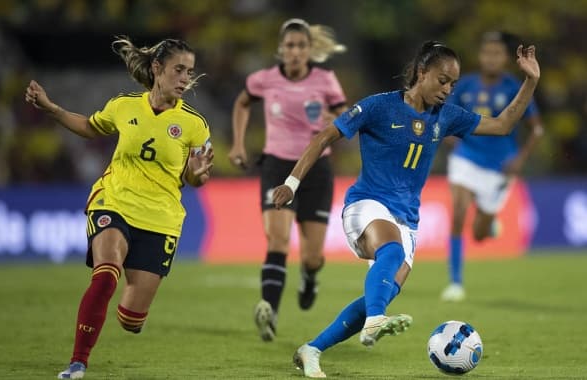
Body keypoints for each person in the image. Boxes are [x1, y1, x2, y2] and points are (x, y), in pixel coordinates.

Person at [272, 40, 540, 378]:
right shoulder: (378, 107)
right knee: (391, 253)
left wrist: (530, 81)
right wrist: (291, 183)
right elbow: (323, 137)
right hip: (365, 205)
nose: (448, 90)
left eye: (453, 84)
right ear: (421, 72)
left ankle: (312, 349)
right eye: (442, 80)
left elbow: (502, 125)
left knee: (382, 289)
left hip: (407, 220)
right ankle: (375, 320)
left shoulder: (447, 117)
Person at [25, 36, 214, 379]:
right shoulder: (124, 105)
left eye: (190, 72)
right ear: (157, 69)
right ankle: (78, 362)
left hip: (160, 217)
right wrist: (52, 109)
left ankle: (124, 313)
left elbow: (194, 176)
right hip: (114, 200)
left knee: (131, 320)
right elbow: (89, 127)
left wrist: (199, 175)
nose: (186, 78)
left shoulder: (195, 124)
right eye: (179, 70)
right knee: (106, 275)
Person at [228, 18, 348, 342]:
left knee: (312, 256)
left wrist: (333, 119)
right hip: (277, 165)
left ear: (310, 50)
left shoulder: (325, 80)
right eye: (290, 46)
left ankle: (310, 277)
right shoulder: (264, 80)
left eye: (301, 46)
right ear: (282, 49)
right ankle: (270, 311)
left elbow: (347, 115)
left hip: (316, 169)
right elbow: (242, 103)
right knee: (277, 240)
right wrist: (238, 143)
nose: (295, 51)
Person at [441, 31, 544, 302]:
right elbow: (444, 117)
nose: (491, 58)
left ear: (506, 58)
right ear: (480, 55)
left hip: (499, 167)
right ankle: (455, 282)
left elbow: (537, 130)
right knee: (459, 212)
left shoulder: (513, 87)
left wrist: (520, 159)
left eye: (497, 53)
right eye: (487, 53)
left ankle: (488, 223)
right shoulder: (464, 86)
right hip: (466, 158)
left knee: (479, 234)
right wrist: (452, 140)